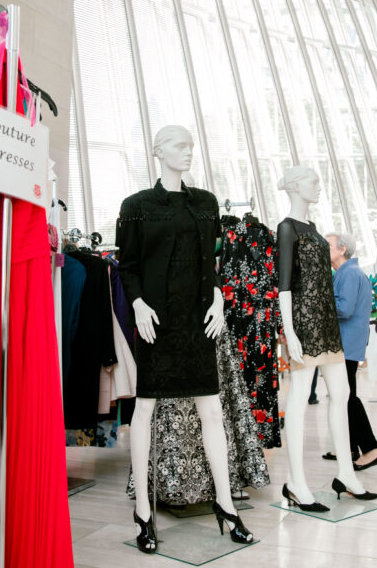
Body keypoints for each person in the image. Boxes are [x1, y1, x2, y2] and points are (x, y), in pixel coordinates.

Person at [116, 125, 252, 553]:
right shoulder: (136, 206)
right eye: (179, 145)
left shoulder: (207, 204)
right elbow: (128, 265)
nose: (188, 151)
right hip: (156, 320)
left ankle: (226, 505)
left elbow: (209, 263)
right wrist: (137, 304)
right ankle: (143, 511)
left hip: (198, 321)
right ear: (158, 152)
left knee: (212, 411)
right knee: (145, 410)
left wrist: (217, 298)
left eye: (191, 145)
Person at [275, 166, 377, 512]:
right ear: (294, 186)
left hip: (326, 322)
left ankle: (347, 473)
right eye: (312, 181)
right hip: (305, 323)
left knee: (343, 393)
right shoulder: (287, 228)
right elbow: (285, 285)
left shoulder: (314, 230)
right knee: (300, 397)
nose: (317, 187)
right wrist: (289, 332)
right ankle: (295, 481)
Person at [321, 232, 377, 469]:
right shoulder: (348, 273)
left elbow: (344, 309)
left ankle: (371, 449)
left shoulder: (348, 274)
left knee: (346, 397)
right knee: (344, 395)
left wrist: (318, 301)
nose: (323, 249)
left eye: (328, 245)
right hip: (347, 344)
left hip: (344, 345)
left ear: (343, 249)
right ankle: (349, 448)